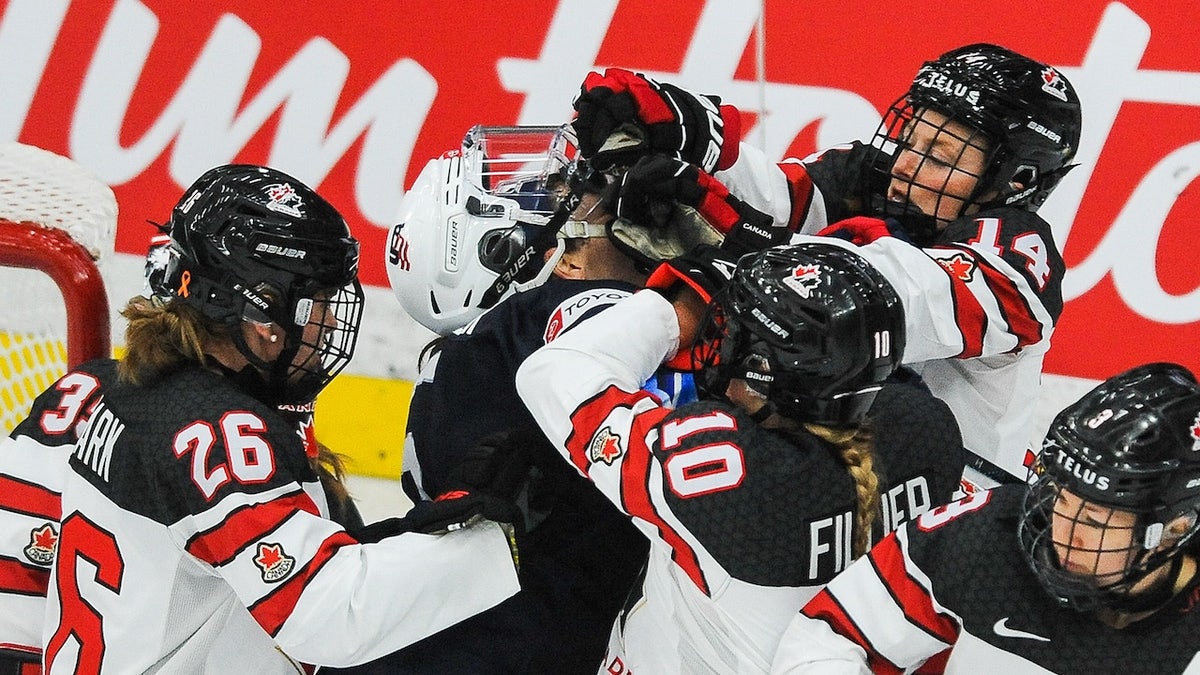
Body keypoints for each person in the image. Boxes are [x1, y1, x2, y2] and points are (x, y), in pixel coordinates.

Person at [30, 164, 520, 673]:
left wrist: (409, 533)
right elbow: (331, 618)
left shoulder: (105, 392)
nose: (329, 323)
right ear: (260, 317)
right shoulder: (220, 435)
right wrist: (493, 542)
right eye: (317, 305)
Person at [571, 43, 1084, 493]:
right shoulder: (877, 178)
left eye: (939, 154)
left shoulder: (1015, 254)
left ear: (1015, 180)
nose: (904, 162)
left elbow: (868, 301)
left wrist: (747, 238)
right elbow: (777, 196)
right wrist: (684, 132)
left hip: (937, 529)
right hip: (821, 485)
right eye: (913, 135)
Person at [515, 241, 965, 674]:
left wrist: (676, 307)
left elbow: (553, 372)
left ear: (761, 371)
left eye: (731, 335)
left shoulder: (728, 480)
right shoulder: (927, 429)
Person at [771, 362, 1200, 674]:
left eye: (1095, 518)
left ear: (1176, 528)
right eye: (1060, 498)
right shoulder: (989, 536)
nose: (1061, 532)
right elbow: (829, 637)